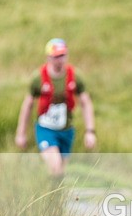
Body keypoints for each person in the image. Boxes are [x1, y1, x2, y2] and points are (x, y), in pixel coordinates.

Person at [16, 38, 96, 177]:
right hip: (46, 129)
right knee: (55, 167)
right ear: (48, 57)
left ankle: (53, 190)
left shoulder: (75, 76)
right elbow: (28, 105)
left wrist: (90, 131)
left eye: (62, 55)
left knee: (61, 171)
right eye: (56, 56)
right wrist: (21, 133)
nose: (59, 60)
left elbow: (86, 103)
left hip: (66, 130)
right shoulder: (38, 78)